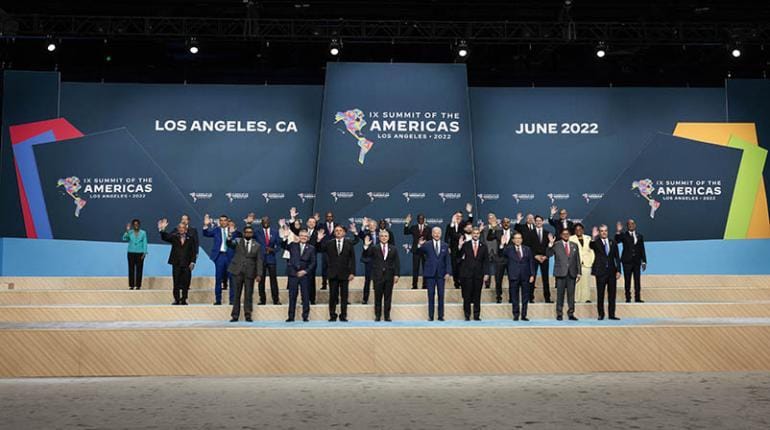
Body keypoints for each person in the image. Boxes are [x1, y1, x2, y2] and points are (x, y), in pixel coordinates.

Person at [316, 225, 358, 322]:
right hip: (332, 274)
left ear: (344, 233)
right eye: (336, 231)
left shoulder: (349, 243)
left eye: (340, 230)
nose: (338, 232)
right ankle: (332, 315)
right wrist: (318, 240)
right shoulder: (329, 243)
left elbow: (352, 259)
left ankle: (343, 316)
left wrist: (352, 272)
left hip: (345, 274)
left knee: (344, 296)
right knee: (333, 296)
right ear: (334, 233)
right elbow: (319, 249)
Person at [227, 226, 263, 322]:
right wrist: (229, 236)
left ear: (252, 234)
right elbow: (229, 244)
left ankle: (248, 315)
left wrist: (259, 274)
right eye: (246, 232)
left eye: (250, 232)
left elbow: (259, 261)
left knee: (248, 294)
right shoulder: (238, 241)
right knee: (236, 295)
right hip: (237, 271)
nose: (248, 234)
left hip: (250, 273)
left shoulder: (257, 245)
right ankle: (235, 315)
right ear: (243, 233)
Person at [362, 229, 400, 322]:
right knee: (377, 297)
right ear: (379, 237)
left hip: (389, 276)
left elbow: (397, 263)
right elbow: (365, 256)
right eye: (382, 236)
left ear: (388, 237)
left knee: (388, 297)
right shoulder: (374, 247)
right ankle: (378, 316)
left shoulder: (393, 248)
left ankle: (387, 316)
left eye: (386, 236)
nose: (384, 238)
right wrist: (366, 246)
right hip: (377, 276)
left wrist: (396, 274)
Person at [416, 227, 452, 321]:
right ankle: (431, 316)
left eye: (438, 233)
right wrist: (419, 245)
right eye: (435, 233)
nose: (436, 234)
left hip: (441, 274)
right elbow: (418, 253)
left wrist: (448, 272)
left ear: (441, 234)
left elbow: (448, 260)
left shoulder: (445, 245)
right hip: (430, 274)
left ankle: (441, 316)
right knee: (431, 295)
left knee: (441, 295)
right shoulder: (427, 244)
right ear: (432, 234)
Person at [280, 228, 316, 322]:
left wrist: (305, 271)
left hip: (305, 275)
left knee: (305, 296)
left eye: (305, 236)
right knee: (292, 296)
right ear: (299, 237)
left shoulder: (311, 248)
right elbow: (283, 245)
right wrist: (285, 237)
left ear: (308, 238)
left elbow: (313, 263)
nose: (303, 237)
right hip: (293, 274)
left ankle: (305, 316)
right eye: (301, 236)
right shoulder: (293, 245)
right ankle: (291, 317)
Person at [158, 219, 197, 305]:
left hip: (187, 264)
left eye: (183, 228)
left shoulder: (190, 238)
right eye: (180, 228)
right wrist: (162, 230)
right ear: (178, 229)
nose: (181, 229)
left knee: (186, 283)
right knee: (176, 282)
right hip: (176, 263)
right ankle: (177, 299)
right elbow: (165, 237)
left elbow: (194, 251)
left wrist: (193, 262)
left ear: (186, 229)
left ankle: (184, 299)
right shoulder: (174, 237)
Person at [499, 232, 536, 321]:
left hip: (525, 276)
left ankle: (524, 315)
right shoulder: (509, 249)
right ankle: (516, 315)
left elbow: (531, 262)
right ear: (513, 240)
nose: (518, 240)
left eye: (519, 238)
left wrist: (532, 274)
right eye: (516, 238)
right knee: (514, 296)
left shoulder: (527, 249)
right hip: (514, 275)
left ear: (522, 240)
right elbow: (501, 254)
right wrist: (502, 245)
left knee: (525, 297)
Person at [288, 207, 321, 304]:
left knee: (311, 280)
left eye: (313, 222)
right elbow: (294, 229)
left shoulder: (318, 233)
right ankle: (303, 301)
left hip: (310, 261)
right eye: (310, 222)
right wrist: (292, 218)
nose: (311, 223)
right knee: (298, 284)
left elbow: (320, 248)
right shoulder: (302, 231)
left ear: (315, 224)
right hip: (299, 262)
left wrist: (318, 241)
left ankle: (312, 299)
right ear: (306, 223)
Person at [547, 228, 581, 321]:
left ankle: (571, 313)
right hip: (560, 273)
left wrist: (579, 272)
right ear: (561, 235)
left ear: (569, 235)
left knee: (571, 295)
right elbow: (549, 254)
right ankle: (559, 314)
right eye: (564, 234)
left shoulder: (574, 245)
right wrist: (550, 244)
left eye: (567, 234)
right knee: (560, 295)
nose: (566, 235)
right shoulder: (556, 244)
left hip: (572, 273)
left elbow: (577, 259)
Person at [590, 224, 622, 320]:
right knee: (600, 294)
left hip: (612, 272)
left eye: (605, 231)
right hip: (600, 272)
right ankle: (601, 314)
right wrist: (593, 237)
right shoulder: (596, 242)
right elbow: (591, 246)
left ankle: (612, 315)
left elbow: (617, 257)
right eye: (602, 231)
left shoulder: (613, 242)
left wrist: (619, 270)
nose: (604, 233)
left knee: (612, 294)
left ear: (607, 232)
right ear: (599, 233)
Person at [458, 227, 489, 321]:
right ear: (471, 234)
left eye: (477, 233)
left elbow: (486, 261)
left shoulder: (483, 246)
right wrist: (459, 247)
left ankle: (476, 315)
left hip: (478, 275)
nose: (476, 235)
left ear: (479, 234)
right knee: (467, 296)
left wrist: (486, 273)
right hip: (467, 274)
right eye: (474, 233)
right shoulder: (465, 245)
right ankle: (467, 315)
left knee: (477, 296)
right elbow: (458, 258)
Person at [357, 217, 388, 304]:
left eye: (373, 225)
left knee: (378, 281)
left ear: (376, 226)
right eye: (370, 225)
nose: (372, 227)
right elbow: (360, 235)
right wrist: (363, 226)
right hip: (369, 260)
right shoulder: (366, 234)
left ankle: (378, 299)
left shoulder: (381, 234)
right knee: (367, 281)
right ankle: (365, 299)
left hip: (379, 261)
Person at [202, 214, 231, 305]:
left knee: (232, 279)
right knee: (218, 279)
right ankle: (218, 300)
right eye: (221, 220)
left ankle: (232, 300)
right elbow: (206, 234)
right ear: (219, 222)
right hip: (220, 256)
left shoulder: (232, 230)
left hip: (230, 256)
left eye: (224, 220)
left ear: (227, 221)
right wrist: (205, 225)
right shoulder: (216, 230)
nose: (223, 222)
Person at [616, 219, 647, 303]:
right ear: (627, 226)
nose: (631, 225)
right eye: (629, 224)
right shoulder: (623, 235)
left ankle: (637, 297)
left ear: (635, 225)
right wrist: (618, 231)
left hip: (636, 262)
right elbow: (617, 240)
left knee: (637, 280)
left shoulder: (639, 236)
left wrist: (644, 261)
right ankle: (628, 298)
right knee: (627, 280)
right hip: (627, 262)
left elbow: (642, 249)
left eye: (632, 223)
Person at [487, 216, 517, 303]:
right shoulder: (498, 232)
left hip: (511, 260)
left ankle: (512, 297)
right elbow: (489, 238)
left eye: (508, 222)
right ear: (501, 224)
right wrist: (492, 228)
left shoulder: (514, 233)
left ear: (510, 223)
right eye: (504, 222)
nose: (506, 224)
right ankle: (498, 297)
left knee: (512, 280)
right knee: (498, 279)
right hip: (500, 259)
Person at [444, 203, 474, 289]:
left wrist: (470, 212)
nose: (458, 218)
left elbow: (470, 222)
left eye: (460, 216)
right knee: (454, 266)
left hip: (463, 249)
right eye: (457, 216)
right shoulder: (450, 226)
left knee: (463, 266)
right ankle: (456, 282)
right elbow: (447, 237)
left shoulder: (464, 224)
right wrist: (448, 247)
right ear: (454, 216)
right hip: (453, 249)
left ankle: (462, 281)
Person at [255, 216, 281, 305]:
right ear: (261, 222)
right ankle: (262, 300)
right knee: (261, 280)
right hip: (261, 259)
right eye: (263, 221)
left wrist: (273, 250)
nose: (265, 222)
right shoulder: (257, 232)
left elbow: (279, 245)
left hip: (271, 259)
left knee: (273, 280)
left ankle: (276, 300)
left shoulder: (275, 232)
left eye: (267, 221)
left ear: (269, 222)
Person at [403, 213, 431, 289]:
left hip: (425, 251)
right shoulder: (413, 227)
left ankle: (425, 285)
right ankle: (414, 285)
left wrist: (425, 242)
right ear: (417, 219)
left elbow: (430, 239)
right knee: (415, 269)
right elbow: (406, 232)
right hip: (416, 251)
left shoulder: (428, 228)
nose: (421, 220)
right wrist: (407, 223)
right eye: (419, 218)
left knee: (425, 269)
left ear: (424, 220)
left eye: (422, 218)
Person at [569, 223, 595, 304]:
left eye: (580, 229)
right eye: (576, 229)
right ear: (574, 231)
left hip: (587, 263)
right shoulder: (570, 238)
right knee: (576, 282)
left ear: (583, 230)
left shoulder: (588, 238)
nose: (578, 231)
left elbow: (592, 251)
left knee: (586, 282)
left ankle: (586, 298)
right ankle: (576, 299)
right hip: (575, 264)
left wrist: (591, 261)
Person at [531, 215, 553, 304]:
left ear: (543, 222)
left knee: (545, 279)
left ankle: (547, 298)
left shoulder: (548, 233)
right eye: (537, 221)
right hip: (534, 258)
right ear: (534, 222)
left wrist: (546, 256)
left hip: (544, 258)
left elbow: (550, 248)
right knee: (532, 277)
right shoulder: (531, 233)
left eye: (540, 220)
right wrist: (535, 256)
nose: (538, 222)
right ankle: (530, 297)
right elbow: (528, 247)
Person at [122, 219, 147, 290]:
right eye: (135, 224)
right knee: (131, 269)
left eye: (137, 224)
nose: (136, 225)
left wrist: (145, 252)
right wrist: (127, 231)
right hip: (131, 253)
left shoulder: (143, 233)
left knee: (139, 269)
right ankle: (131, 285)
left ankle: (138, 285)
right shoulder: (130, 232)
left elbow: (145, 243)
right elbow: (124, 238)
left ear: (139, 225)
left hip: (140, 253)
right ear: (133, 225)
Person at [319, 211, 337, 290]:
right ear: (325, 217)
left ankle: (333, 284)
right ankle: (324, 284)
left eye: (330, 216)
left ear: (333, 217)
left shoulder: (337, 226)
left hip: (334, 250)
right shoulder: (321, 226)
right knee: (324, 268)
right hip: (325, 250)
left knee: (334, 268)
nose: (329, 218)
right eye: (327, 216)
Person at [480, 213, 498, 291]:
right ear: (488, 220)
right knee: (487, 268)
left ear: (496, 219)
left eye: (493, 218)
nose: (492, 220)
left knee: (498, 269)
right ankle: (487, 284)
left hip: (496, 251)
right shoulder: (484, 228)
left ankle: (498, 284)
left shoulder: (500, 228)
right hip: (487, 250)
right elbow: (480, 239)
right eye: (490, 218)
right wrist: (480, 230)